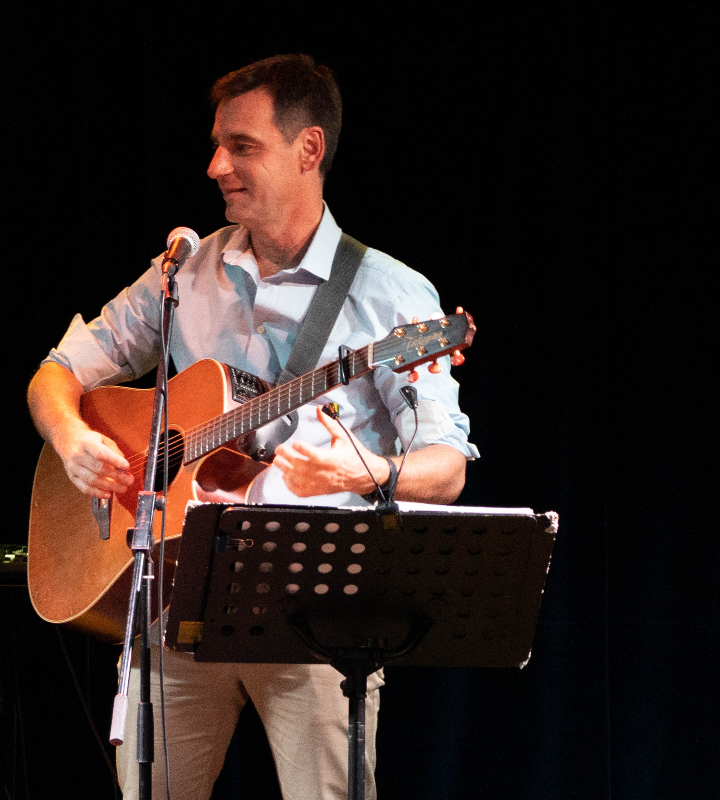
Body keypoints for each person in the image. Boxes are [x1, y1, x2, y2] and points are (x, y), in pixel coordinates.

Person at [25, 54, 476, 800]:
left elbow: (448, 468)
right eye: (215, 144)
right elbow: (55, 373)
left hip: (315, 612)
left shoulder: (393, 296)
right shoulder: (183, 273)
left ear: (309, 151)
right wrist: (73, 440)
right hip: (176, 600)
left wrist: (371, 474)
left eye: (241, 146)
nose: (215, 166)